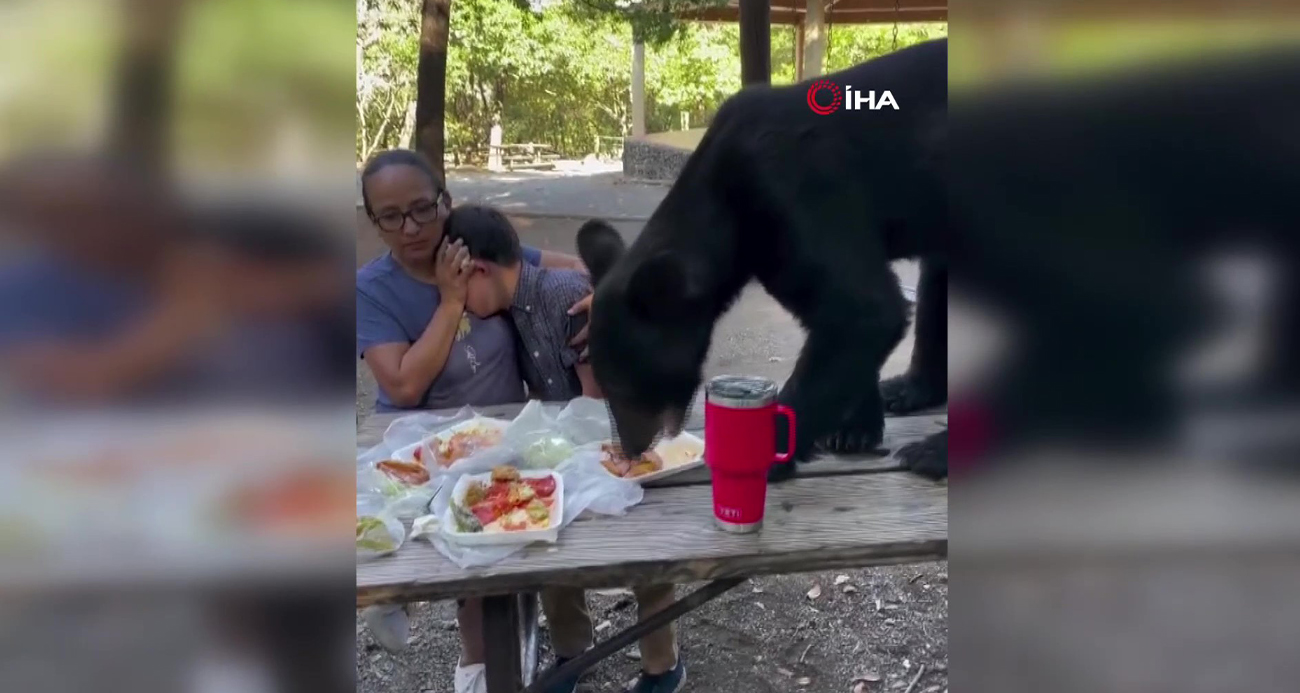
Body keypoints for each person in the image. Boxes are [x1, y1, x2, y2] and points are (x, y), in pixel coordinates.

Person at [355, 149, 592, 693]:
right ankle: (422, 613)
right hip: (422, 449)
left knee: (520, 545)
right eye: (390, 216)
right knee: (453, 555)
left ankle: (544, 649)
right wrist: (450, 301)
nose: (410, 227)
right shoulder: (373, 289)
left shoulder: (471, 245)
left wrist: (606, 295)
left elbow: (572, 270)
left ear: (445, 201)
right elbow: (403, 385)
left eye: (422, 208)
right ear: (373, 221)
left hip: (503, 438)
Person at [446, 203, 686, 693]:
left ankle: (663, 666)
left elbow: (599, 399)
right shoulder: (513, 311)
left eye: (459, 286)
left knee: (645, 554)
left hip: (625, 439)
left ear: (480, 270)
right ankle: (573, 652)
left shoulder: (564, 299)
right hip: (580, 447)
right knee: (548, 542)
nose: (460, 303)